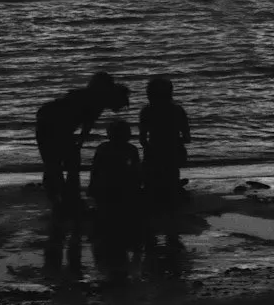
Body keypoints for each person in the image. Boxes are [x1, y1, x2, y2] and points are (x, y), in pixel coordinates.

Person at [35, 73, 130, 201]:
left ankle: (62, 195)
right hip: (50, 123)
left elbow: (85, 126)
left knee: (56, 163)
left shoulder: (91, 97)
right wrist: (76, 144)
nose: (120, 108)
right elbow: (85, 125)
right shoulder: (95, 101)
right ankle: (62, 196)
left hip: (51, 122)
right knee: (58, 163)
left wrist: (77, 144)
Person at [140, 76, 190, 200]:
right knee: (170, 172)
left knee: (152, 177)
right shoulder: (178, 110)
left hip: (154, 151)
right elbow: (187, 137)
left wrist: (150, 148)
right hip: (174, 151)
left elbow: (142, 139)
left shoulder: (147, 111)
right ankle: (172, 186)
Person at [86, 120, 143, 218]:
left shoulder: (103, 148)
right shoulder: (131, 149)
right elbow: (136, 171)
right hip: (123, 187)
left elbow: (95, 169)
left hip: (107, 186)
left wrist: (92, 186)